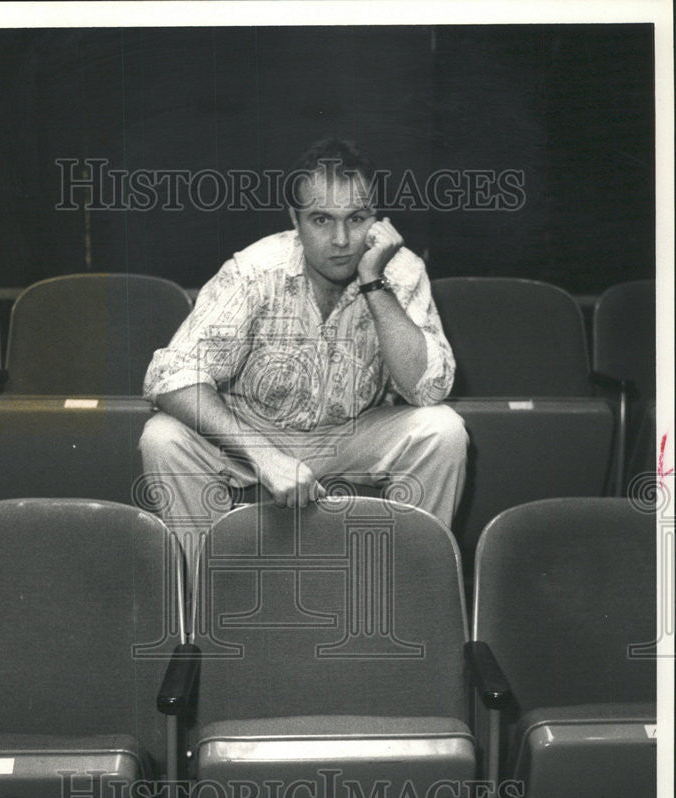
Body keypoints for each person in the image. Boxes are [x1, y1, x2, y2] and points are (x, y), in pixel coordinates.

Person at [140, 137, 467, 567]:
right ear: (294, 219)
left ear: (377, 220)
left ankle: (409, 586)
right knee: (163, 437)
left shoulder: (402, 271)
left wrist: (374, 283)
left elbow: (429, 390)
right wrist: (263, 454)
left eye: (357, 218)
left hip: (354, 431)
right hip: (253, 429)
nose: (341, 240)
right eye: (320, 219)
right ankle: (209, 594)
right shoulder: (255, 269)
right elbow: (171, 378)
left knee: (443, 431)